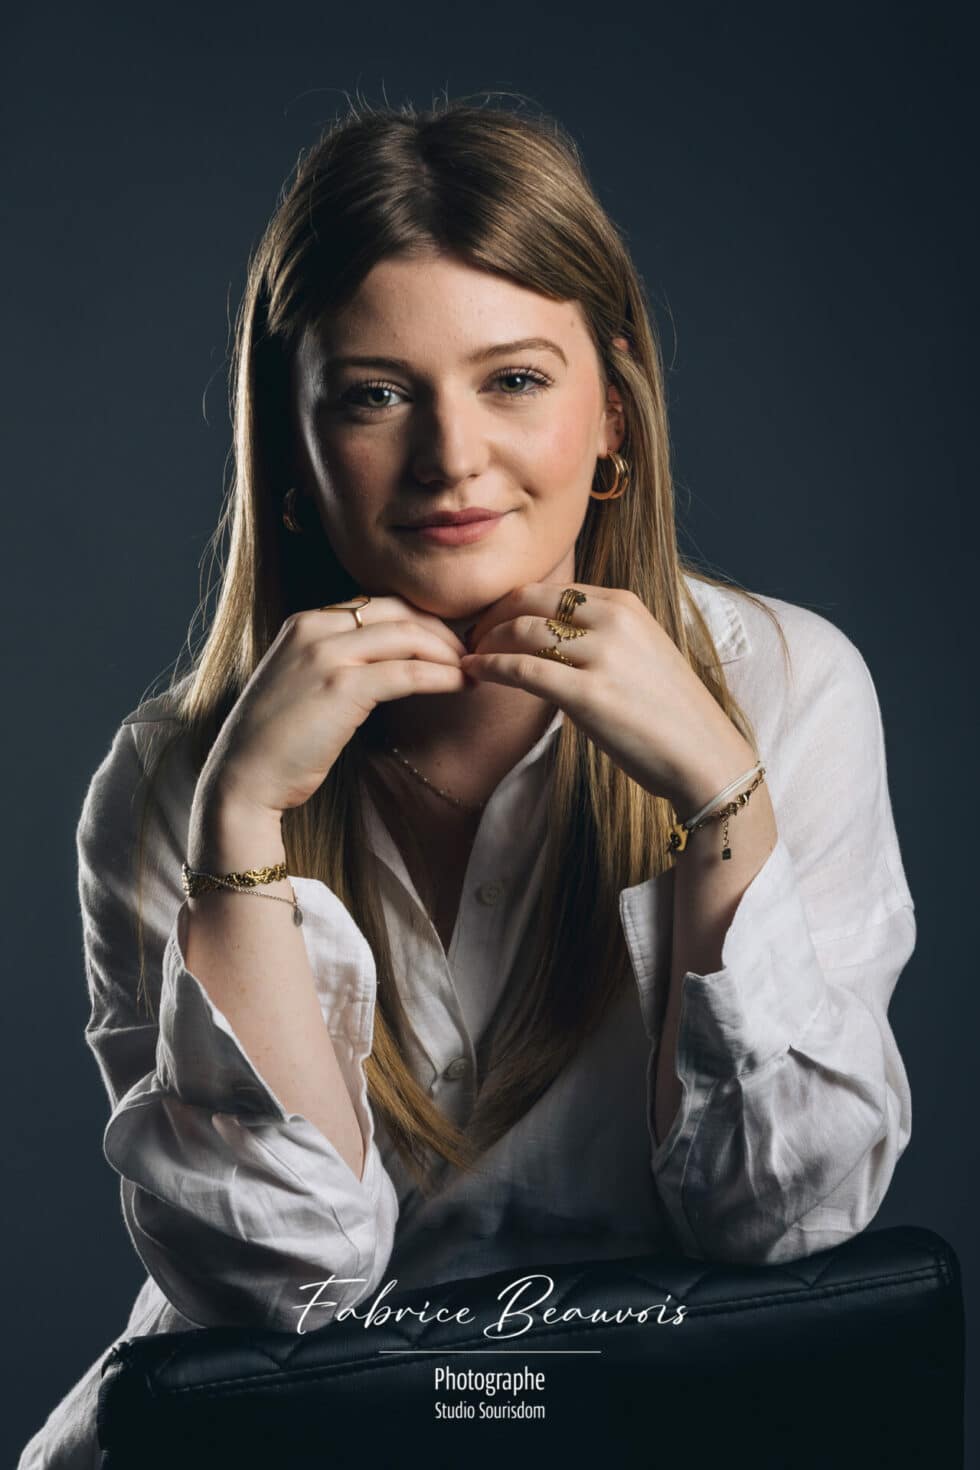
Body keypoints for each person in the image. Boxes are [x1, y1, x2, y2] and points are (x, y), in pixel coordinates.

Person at [18, 93, 916, 1466]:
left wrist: (722, 793)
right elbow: (280, 1287)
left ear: (612, 415)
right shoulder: (172, 784)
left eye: (514, 379)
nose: (452, 456)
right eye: (377, 395)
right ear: (299, 457)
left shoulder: (791, 688)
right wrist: (242, 832)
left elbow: (781, 1225)